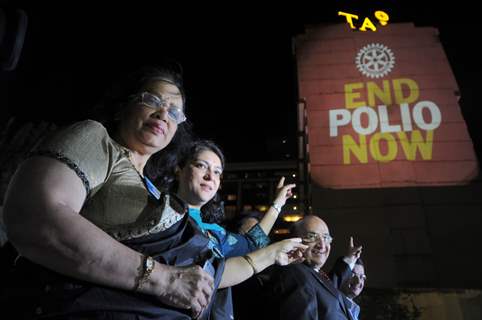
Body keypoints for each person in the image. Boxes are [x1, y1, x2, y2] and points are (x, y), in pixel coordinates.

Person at [2, 64, 223, 319]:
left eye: (175, 112)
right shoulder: (96, 139)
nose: (164, 113)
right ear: (123, 106)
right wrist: (163, 279)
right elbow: (34, 216)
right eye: (152, 100)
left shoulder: (150, 185)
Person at [168, 139, 307, 319]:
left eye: (217, 172)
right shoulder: (162, 214)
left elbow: (252, 242)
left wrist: (278, 204)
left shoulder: (214, 231)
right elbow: (210, 275)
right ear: (178, 169)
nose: (210, 176)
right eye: (202, 166)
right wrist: (272, 254)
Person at [267, 215, 355, 320]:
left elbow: (329, 288)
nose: (322, 245)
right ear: (294, 241)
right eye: (312, 237)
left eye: (326, 238)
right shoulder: (295, 275)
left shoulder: (311, 272)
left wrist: (350, 259)